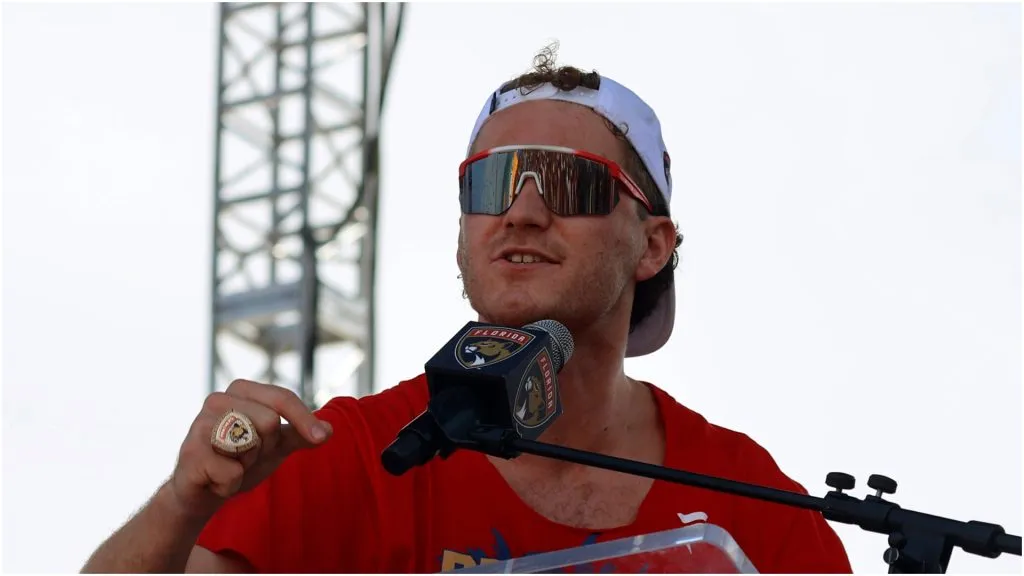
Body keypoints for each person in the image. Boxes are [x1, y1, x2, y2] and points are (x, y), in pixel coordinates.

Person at [82, 46, 852, 574]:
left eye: (568, 183)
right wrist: (179, 506)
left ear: (652, 245)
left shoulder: (756, 506)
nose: (520, 212)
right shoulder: (354, 453)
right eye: (490, 183)